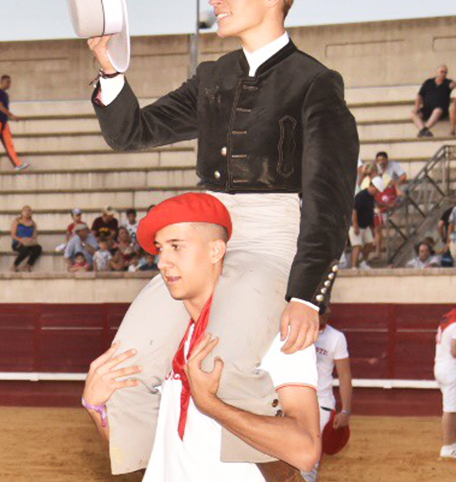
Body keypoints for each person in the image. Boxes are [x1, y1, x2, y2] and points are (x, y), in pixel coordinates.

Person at [90, 0, 355, 473]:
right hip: (205, 236)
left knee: (223, 367)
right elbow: (132, 132)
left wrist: (306, 295)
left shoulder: (315, 82)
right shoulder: (214, 77)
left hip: (273, 236)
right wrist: (110, 69)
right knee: (122, 369)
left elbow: (328, 199)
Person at [82, 193, 321, 479]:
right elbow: (150, 451)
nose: (162, 262)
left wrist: (212, 405)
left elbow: (305, 451)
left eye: (176, 247)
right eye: (160, 249)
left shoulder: (276, 332)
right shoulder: (162, 338)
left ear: (215, 252)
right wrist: (97, 408)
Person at [303, 309, 353, 481]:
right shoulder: (295, 329)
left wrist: (346, 410)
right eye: (320, 310)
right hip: (293, 400)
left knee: (310, 461)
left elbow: (344, 375)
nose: (325, 313)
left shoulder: (336, 337)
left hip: (321, 403)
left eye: (326, 309)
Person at [0, 74, 30, 172]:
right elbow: (0, 106)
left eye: (10, 82)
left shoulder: (5, 94)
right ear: (2, 82)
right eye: (7, 82)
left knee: (9, 144)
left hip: (3, 123)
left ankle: (17, 164)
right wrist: (11, 115)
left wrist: (8, 117)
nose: (9, 84)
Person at [435, 306, 456, 460]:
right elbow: (455, 350)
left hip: (442, 366)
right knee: (451, 409)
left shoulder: (448, 318)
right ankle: (448, 447)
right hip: (451, 370)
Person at [411, 65, 455, 137]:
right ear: (437, 72)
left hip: (441, 110)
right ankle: (424, 130)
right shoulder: (428, 82)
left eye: (445, 72)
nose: (443, 74)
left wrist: (453, 85)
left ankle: (424, 129)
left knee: (437, 110)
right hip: (427, 109)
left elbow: (452, 85)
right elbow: (419, 95)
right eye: (442, 72)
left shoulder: (448, 82)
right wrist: (416, 107)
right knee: (412, 114)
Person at [350, 178, 381, 268]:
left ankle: (363, 262)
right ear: (372, 187)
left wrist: (372, 227)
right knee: (357, 245)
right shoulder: (361, 195)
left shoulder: (371, 198)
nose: (377, 193)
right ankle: (353, 266)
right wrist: (355, 224)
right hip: (356, 225)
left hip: (365, 225)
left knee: (370, 243)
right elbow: (354, 210)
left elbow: (370, 212)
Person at [10, 205, 43, 272]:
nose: (27, 212)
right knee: (25, 251)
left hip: (28, 242)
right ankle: (15, 265)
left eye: (29, 211)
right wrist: (20, 240)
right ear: (22, 212)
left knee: (38, 248)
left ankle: (28, 265)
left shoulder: (33, 223)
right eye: (25, 210)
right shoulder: (17, 221)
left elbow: (34, 235)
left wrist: (30, 240)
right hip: (18, 242)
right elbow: (13, 234)